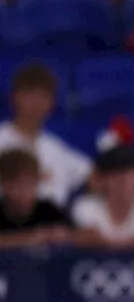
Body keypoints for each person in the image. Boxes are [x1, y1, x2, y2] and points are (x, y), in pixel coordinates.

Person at [0, 62, 92, 207]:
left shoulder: (56, 149)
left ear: (51, 104)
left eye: (43, 96)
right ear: (14, 97)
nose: (36, 102)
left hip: (52, 224)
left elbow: (95, 176)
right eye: (30, 94)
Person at [0, 149, 79, 249]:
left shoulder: (49, 210)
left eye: (29, 184)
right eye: (17, 185)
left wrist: (63, 236)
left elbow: (85, 235)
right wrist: (29, 238)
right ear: (4, 185)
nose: (24, 192)